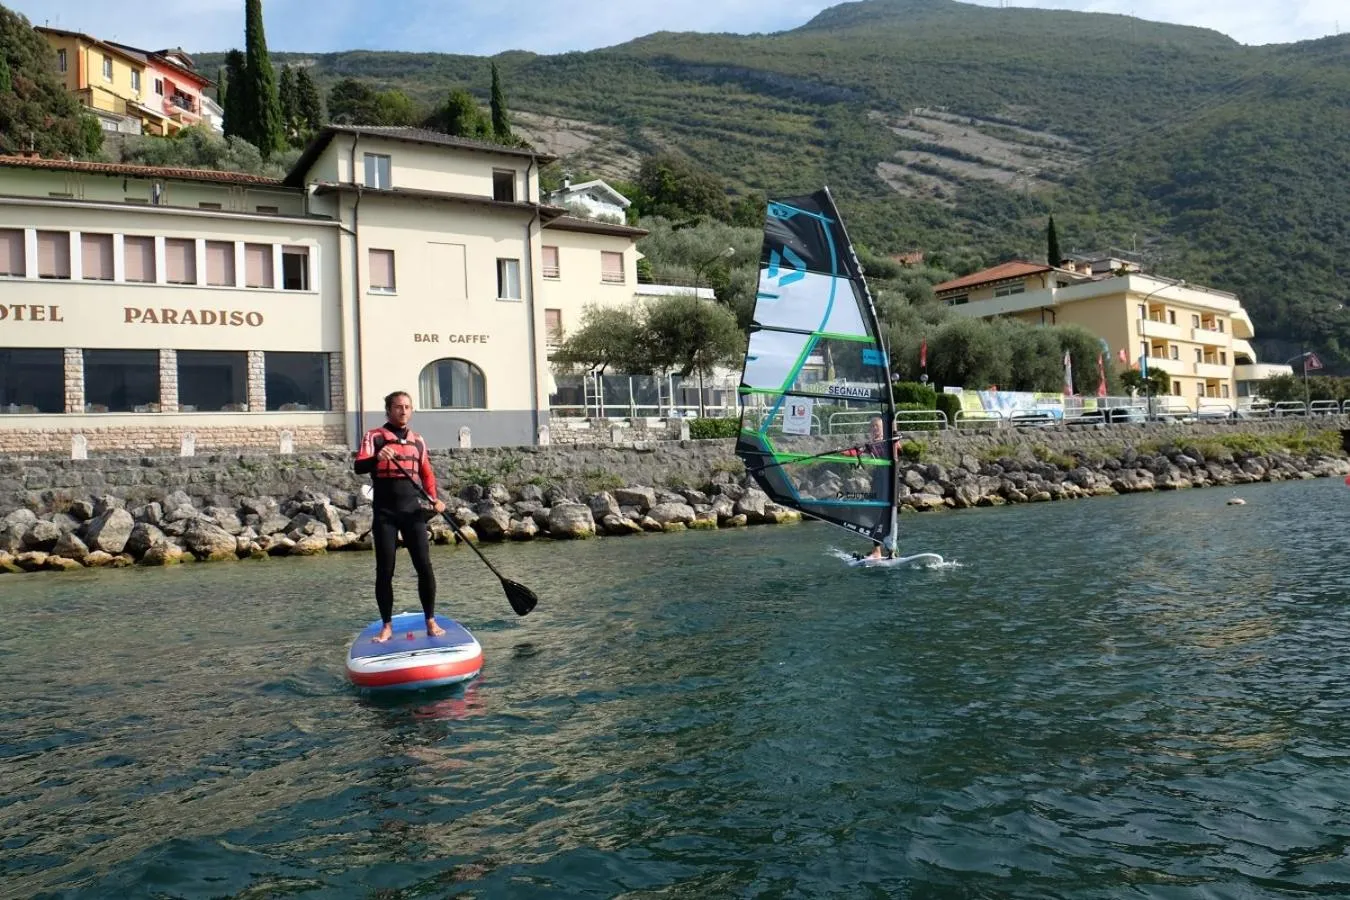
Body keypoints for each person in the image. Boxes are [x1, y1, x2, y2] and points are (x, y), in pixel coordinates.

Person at [354, 391, 447, 642]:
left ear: (411, 410)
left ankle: (430, 620)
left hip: (412, 512)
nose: (403, 411)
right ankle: (386, 625)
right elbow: (358, 466)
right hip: (385, 514)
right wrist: (377, 457)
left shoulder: (418, 441)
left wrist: (434, 498)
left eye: (407, 407)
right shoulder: (374, 437)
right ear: (388, 411)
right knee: (385, 570)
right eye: (398, 407)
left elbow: (426, 473)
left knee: (424, 567)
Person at [843, 414, 899, 561]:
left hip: (890, 482)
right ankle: (878, 551)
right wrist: (843, 452)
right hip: (878, 482)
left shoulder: (890, 442)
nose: (875, 429)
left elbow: (898, 447)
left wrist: (895, 433)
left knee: (890, 515)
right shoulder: (870, 445)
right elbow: (856, 452)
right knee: (875, 515)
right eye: (872, 427)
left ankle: (891, 549)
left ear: (884, 429)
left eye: (877, 426)